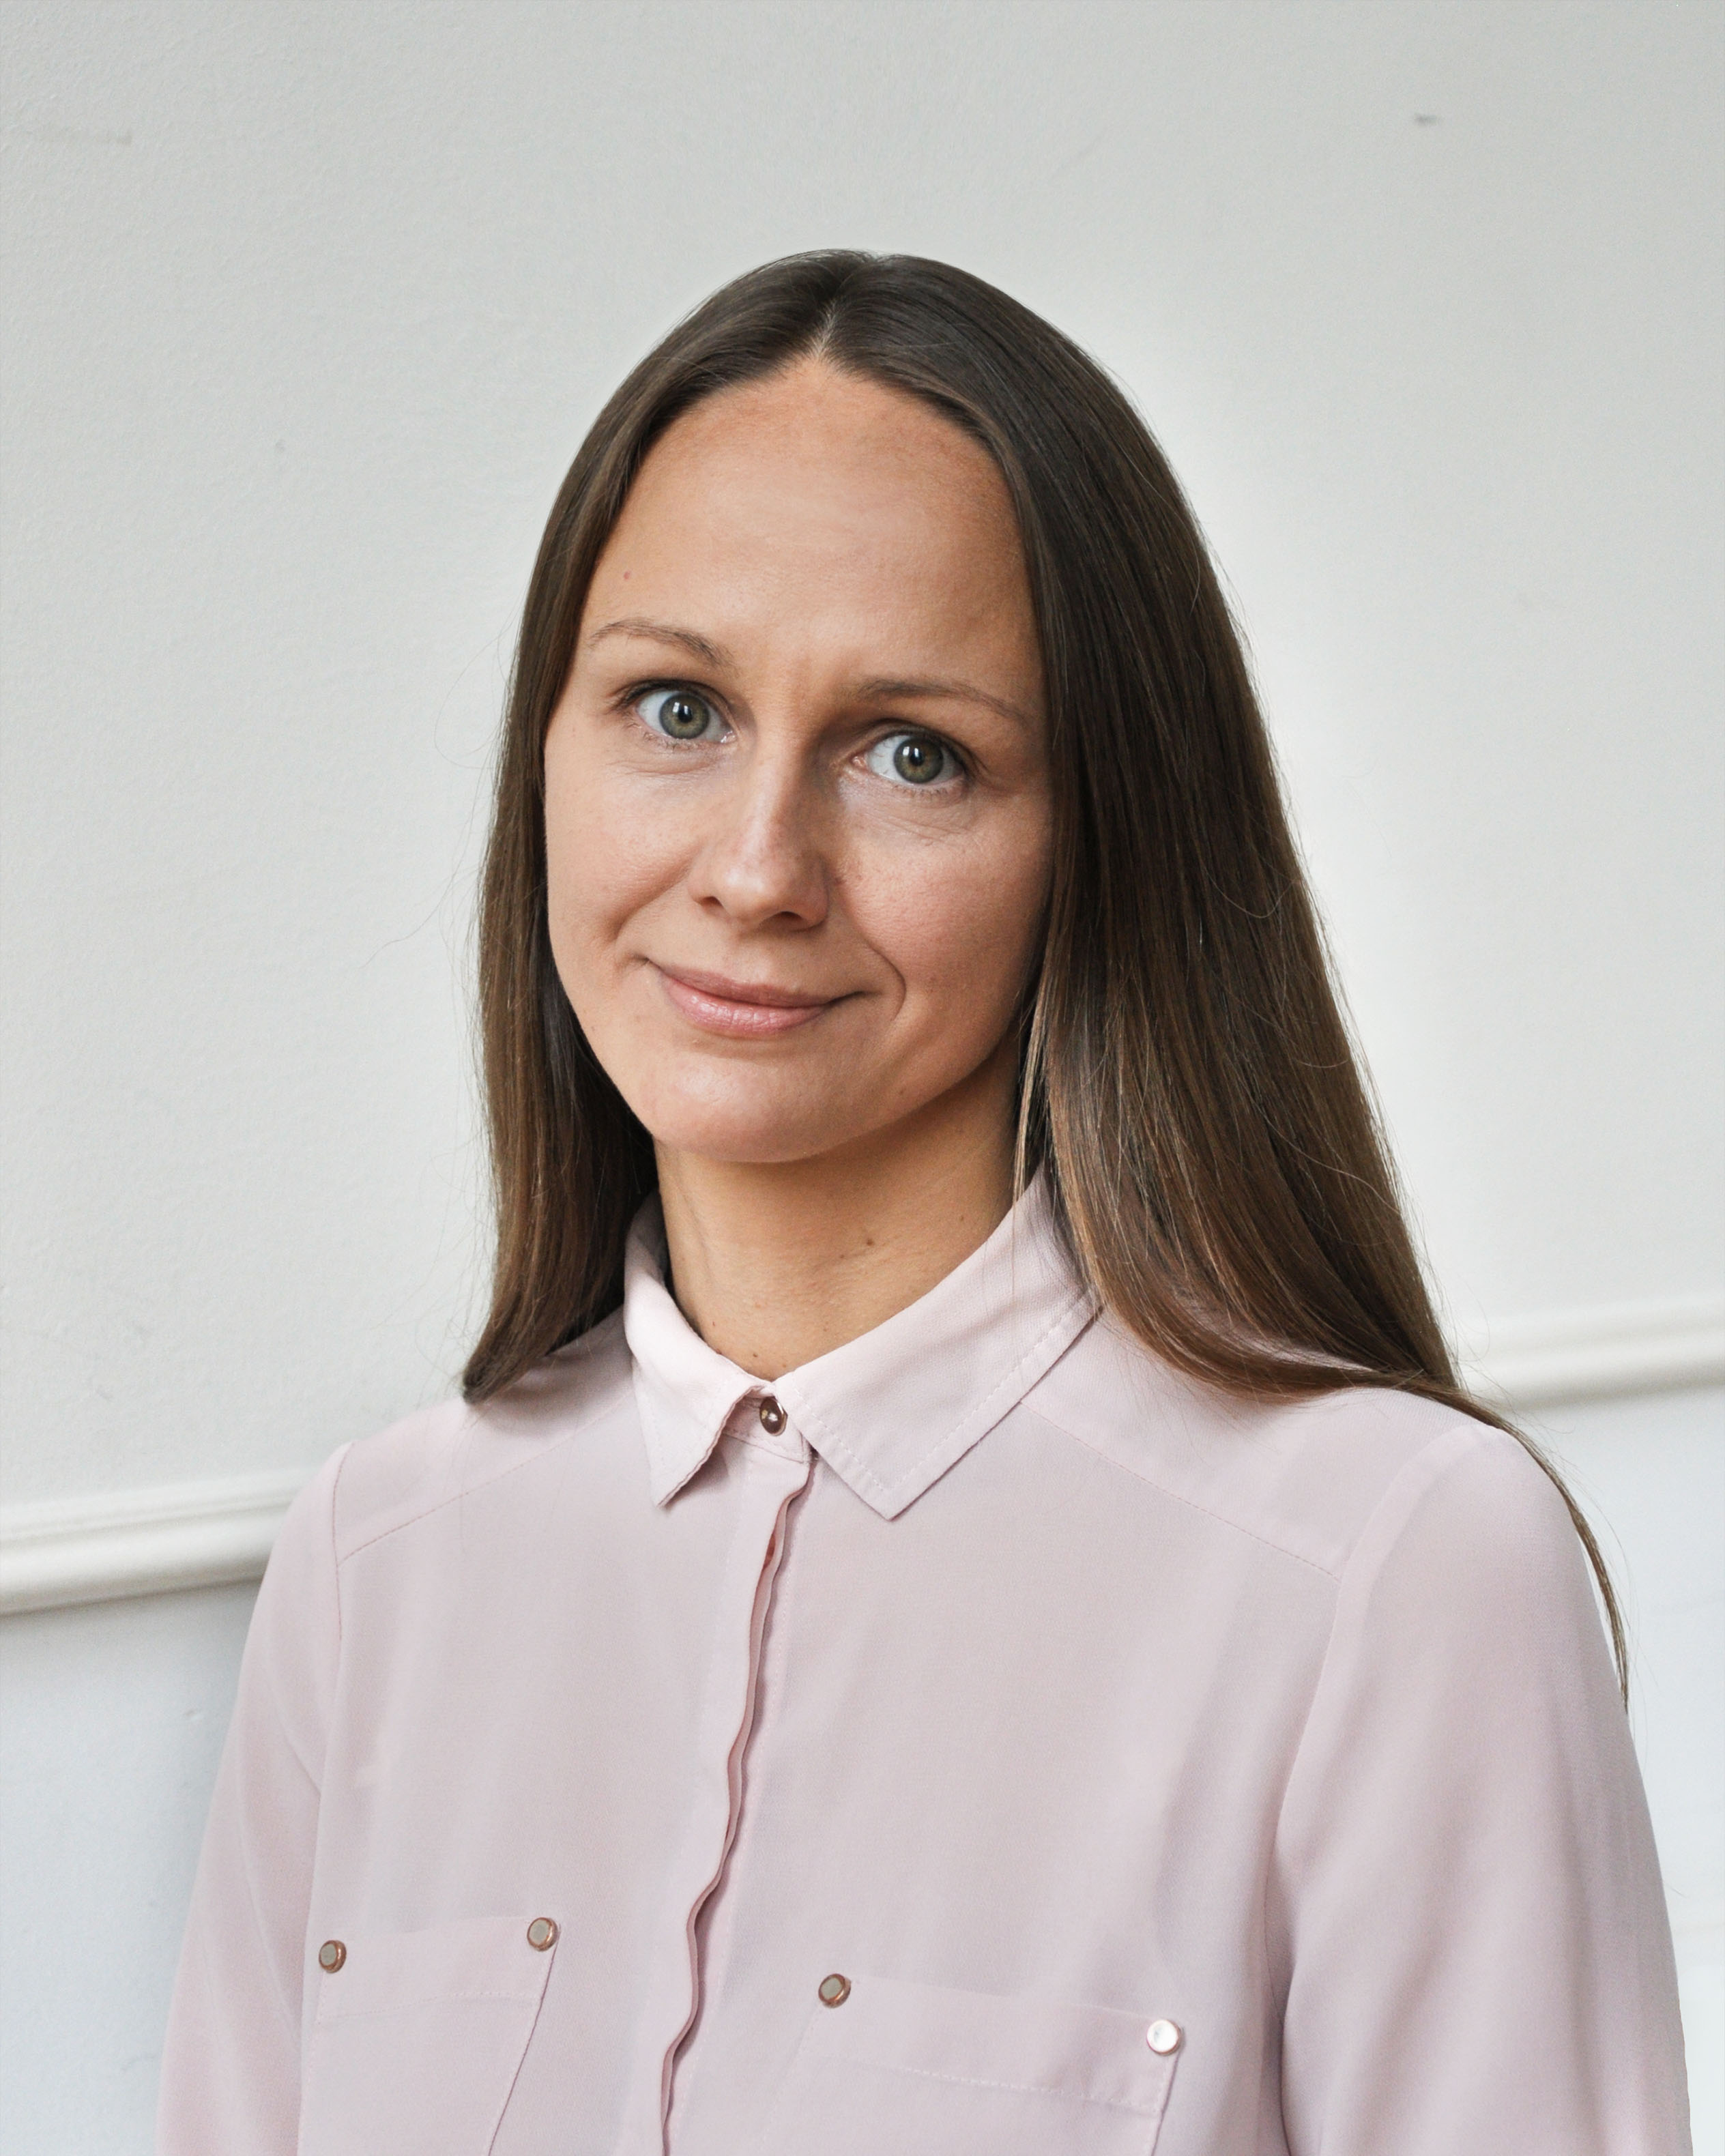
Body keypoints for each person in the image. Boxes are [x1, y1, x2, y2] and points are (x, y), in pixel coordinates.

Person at [158, 252, 1689, 2155]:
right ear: (540, 751)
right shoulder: (371, 1564)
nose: (759, 866)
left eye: (915, 754)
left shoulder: (1396, 1571)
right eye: (675, 708)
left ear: (1101, 839)